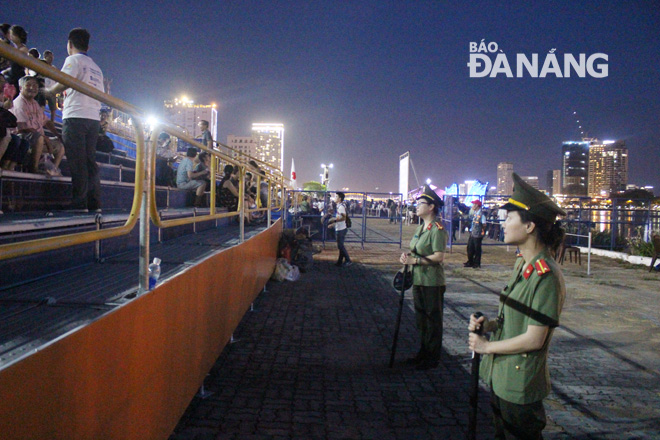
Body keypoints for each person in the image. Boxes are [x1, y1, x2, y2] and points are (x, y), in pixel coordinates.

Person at [468, 172, 566, 440]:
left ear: (529, 226)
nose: (504, 222)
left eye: (510, 217)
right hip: (502, 377)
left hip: (520, 384)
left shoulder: (546, 276)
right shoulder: (522, 264)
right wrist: (487, 325)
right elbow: (515, 317)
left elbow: (535, 339)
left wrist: (487, 347)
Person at [47, 28, 104, 212]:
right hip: (93, 119)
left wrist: (49, 92)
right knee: (89, 161)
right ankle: (94, 204)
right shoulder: (96, 67)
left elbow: (64, 80)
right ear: (87, 46)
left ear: (69, 44)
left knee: (77, 161)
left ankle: (79, 204)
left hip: (76, 116)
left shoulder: (73, 60)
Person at [399, 186, 448, 370]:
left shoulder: (437, 229)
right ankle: (423, 352)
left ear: (431, 207)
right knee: (421, 319)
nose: (416, 206)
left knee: (433, 319)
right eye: (417, 203)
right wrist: (406, 257)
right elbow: (415, 249)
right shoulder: (421, 227)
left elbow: (439, 256)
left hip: (432, 282)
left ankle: (432, 357)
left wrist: (416, 261)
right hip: (419, 279)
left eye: (421, 203)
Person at [11, 76, 65, 174]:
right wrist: (45, 139)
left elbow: (47, 121)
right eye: (28, 85)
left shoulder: (35, 103)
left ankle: (52, 170)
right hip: (24, 137)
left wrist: (57, 135)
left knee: (61, 145)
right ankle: (34, 168)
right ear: (20, 88)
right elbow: (24, 128)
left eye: (35, 85)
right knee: (39, 137)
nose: (32, 88)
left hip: (39, 139)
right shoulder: (19, 103)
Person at [327, 191, 351, 267]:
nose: (334, 198)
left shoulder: (341, 207)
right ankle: (340, 261)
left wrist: (334, 220)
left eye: (336, 197)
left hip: (341, 229)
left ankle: (348, 260)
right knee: (340, 245)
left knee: (340, 246)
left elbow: (343, 218)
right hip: (340, 228)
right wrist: (333, 224)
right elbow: (340, 218)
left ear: (340, 199)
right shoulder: (339, 206)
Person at [464, 199, 486, 268]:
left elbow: (484, 224)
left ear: (477, 206)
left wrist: (481, 232)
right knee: (470, 248)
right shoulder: (475, 213)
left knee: (477, 249)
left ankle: (476, 263)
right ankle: (470, 261)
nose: (472, 206)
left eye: (474, 204)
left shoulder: (481, 215)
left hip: (477, 234)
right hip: (473, 233)